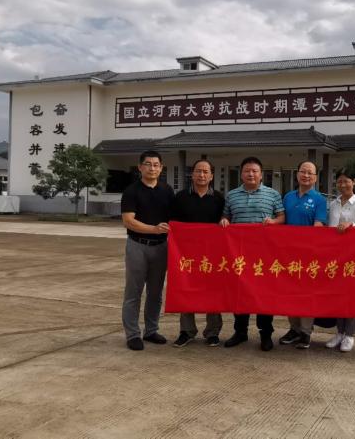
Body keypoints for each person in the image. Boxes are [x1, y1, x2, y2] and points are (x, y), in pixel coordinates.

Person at [219, 156, 285, 351]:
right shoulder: (231, 195)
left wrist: (274, 222)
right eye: (247, 171)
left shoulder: (272, 194)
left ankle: (266, 334)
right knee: (240, 293)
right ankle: (240, 332)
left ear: (261, 174)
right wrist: (224, 220)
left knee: (264, 294)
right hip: (239, 254)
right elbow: (226, 215)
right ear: (241, 174)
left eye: (255, 171)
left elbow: (282, 217)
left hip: (264, 254)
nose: (251, 174)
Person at [120, 150, 174, 351]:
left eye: (156, 165)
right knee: (133, 292)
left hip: (161, 247)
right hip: (137, 245)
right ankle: (133, 334)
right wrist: (154, 229)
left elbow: (175, 218)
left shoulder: (167, 190)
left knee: (155, 292)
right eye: (148, 164)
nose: (152, 168)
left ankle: (151, 330)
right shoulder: (131, 191)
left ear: (161, 168)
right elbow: (128, 221)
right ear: (140, 167)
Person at [169, 159, 226, 348]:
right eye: (198, 171)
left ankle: (212, 332)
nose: (201, 175)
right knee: (185, 289)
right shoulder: (180, 197)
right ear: (192, 174)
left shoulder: (219, 198)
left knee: (213, 292)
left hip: (212, 254)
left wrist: (224, 220)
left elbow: (225, 219)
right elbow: (173, 223)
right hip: (186, 254)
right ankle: (186, 331)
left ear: (211, 176)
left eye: (205, 172)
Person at [278, 160, 328, 350]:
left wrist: (305, 243)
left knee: (306, 294)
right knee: (290, 293)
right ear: (297, 174)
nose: (306, 175)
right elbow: (282, 222)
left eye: (310, 173)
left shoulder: (319, 199)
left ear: (315, 177)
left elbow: (319, 225)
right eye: (303, 172)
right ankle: (294, 329)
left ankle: (306, 332)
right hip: (288, 255)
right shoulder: (288, 197)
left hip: (309, 255)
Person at [325, 168, 355, 352]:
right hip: (334, 257)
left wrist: (353, 225)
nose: (343, 185)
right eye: (339, 181)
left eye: (346, 181)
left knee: (351, 295)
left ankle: (349, 335)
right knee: (337, 295)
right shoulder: (333, 204)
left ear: (354, 182)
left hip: (353, 257)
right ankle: (340, 332)